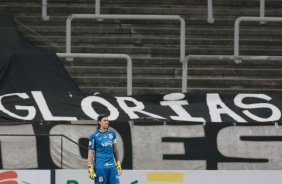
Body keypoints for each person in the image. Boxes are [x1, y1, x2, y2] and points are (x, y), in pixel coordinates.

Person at [87, 114, 122, 184]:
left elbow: (115, 150)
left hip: (112, 166)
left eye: (107, 120)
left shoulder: (112, 133)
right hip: (100, 166)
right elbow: (91, 153)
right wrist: (90, 168)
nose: (107, 122)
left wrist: (118, 163)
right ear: (99, 122)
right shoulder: (94, 135)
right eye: (104, 120)